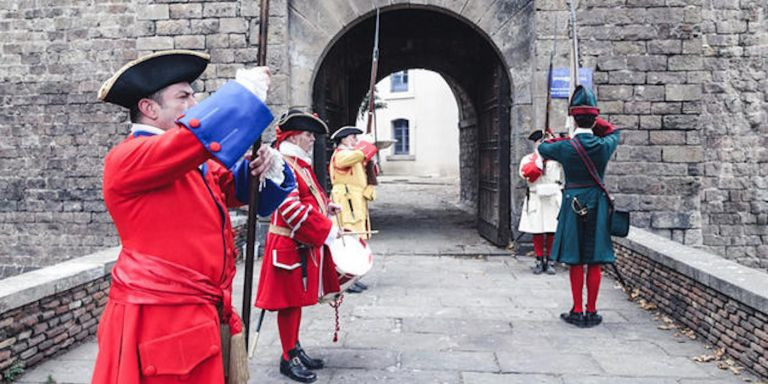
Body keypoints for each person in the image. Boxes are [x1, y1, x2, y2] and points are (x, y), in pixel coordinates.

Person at [91, 50, 295, 383]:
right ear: (149, 108)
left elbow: (242, 192)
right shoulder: (128, 157)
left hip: (199, 312)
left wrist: (267, 168)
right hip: (159, 317)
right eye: (183, 96)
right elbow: (192, 142)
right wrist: (243, 97)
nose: (194, 103)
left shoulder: (192, 160)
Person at [255, 109, 343, 383]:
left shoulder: (299, 164)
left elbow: (308, 199)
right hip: (288, 244)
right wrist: (326, 229)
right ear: (294, 136)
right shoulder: (284, 164)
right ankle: (287, 356)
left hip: (300, 243)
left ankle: (294, 347)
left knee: (296, 303)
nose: (312, 140)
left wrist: (325, 207)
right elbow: (291, 209)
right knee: (288, 304)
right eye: (308, 135)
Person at [537, 85, 620, 328]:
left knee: (576, 259)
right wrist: (593, 121)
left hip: (573, 200)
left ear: (573, 118)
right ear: (594, 118)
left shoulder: (565, 147)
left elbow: (543, 147)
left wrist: (562, 135)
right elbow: (613, 131)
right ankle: (592, 310)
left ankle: (576, 309)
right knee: (594, 260)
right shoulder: (605, 145)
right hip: (597, 200)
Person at [328, 126, 378, 293]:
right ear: (342, 139)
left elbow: (361, 163)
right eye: (352, 138)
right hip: (346, 201)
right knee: (349, 240)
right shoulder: (341, 154)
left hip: (354, 200)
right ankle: (346, 278)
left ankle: (354, 277)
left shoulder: (350, 154)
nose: (355, 141)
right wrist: (366, 145)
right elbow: (355, 156)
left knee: (356, 240)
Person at [518, 130, 564, 275]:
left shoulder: (557, 160)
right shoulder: (528, 159)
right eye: (541, 142)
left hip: (552, 197)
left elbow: (564, 174)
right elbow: (526, 175)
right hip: (536, 196)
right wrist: (538, 162)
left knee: (552, 230)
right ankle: (539, 259)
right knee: (537, 229)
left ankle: (550, 260)